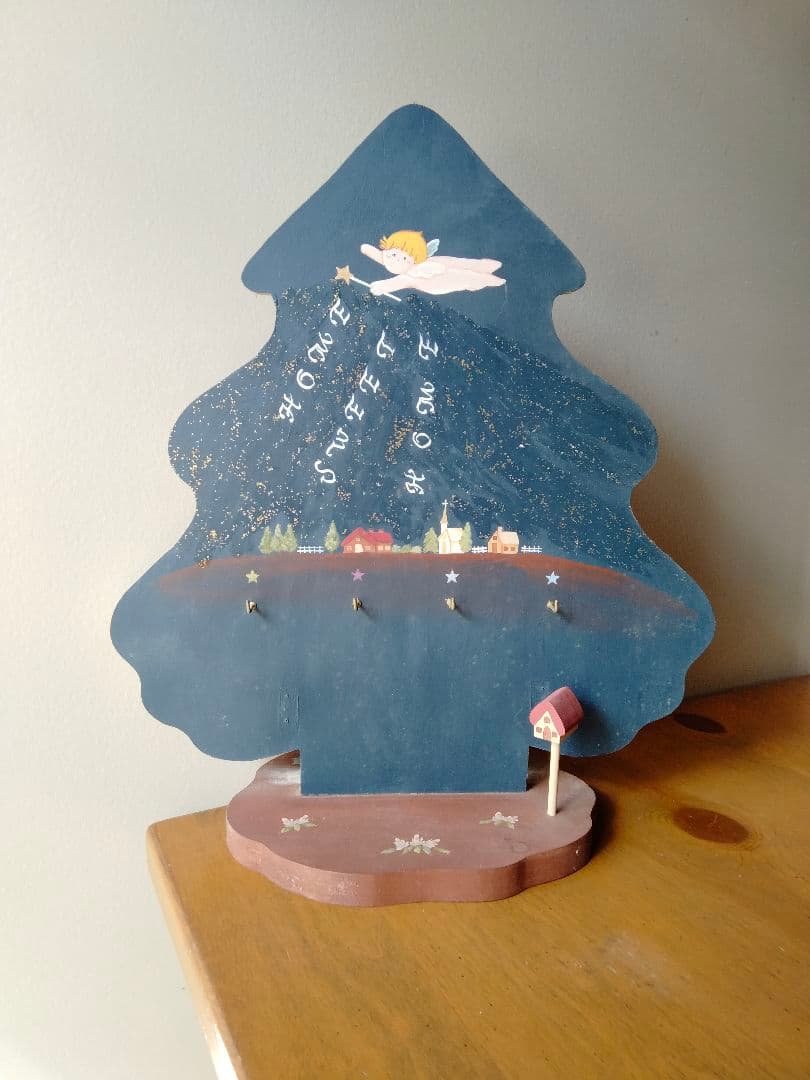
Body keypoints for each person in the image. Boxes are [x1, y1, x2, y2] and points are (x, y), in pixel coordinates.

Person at [360, 230, 505, 296]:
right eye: (393, 254)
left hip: (436, 281)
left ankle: (488, 275)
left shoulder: (410, 274)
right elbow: (382, 257)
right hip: (434, 269)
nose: (396, 259)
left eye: (404, 258)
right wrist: (367, 250)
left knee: (465, 276)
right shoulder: (389, 258)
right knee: (461, 266)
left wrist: (381, 286)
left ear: (413, 261)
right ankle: (485, 268)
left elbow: (399, 281)